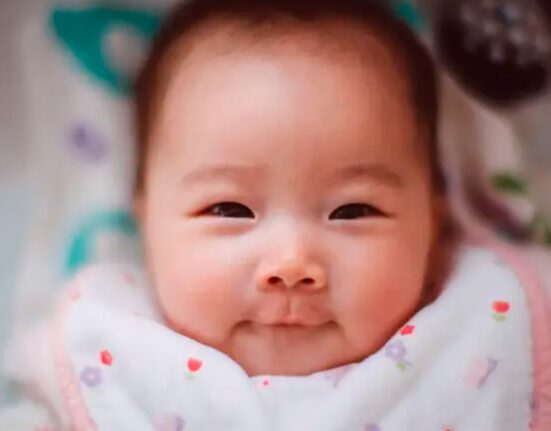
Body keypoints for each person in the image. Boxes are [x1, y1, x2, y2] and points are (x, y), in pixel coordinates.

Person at [2, 1, 549, 430]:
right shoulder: (105, 350)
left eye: (353, 210)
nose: (292, 263)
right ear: (147, 224)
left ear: (433, 223)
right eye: (229, 209)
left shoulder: (485, 330)